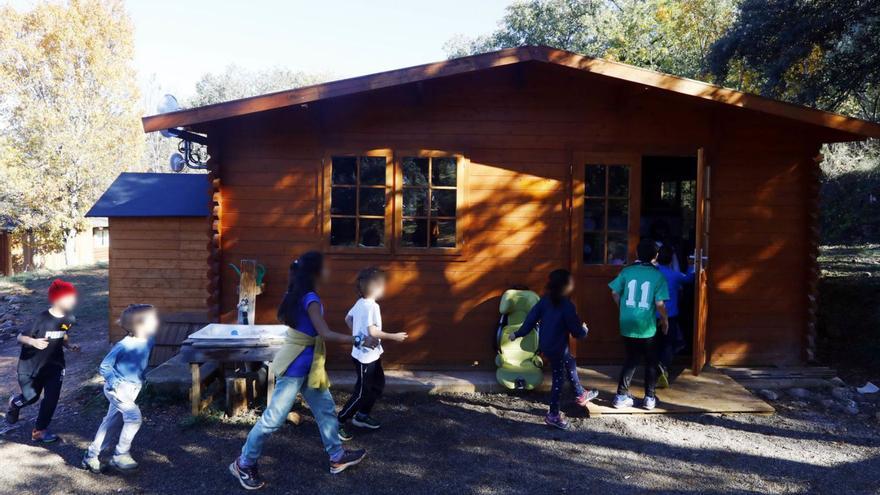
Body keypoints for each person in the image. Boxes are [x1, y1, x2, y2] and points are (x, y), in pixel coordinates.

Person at [230, 252, 378, 490]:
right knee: (273, 419)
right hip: (296, 367)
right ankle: (244, 463)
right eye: (325, 267)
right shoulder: (310, 298)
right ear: (315, 273)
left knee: (326, 410)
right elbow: (325, 333)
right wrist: (359, 339)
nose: (328, 271)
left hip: (309, 367)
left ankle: (337, 457)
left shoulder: (296, 293)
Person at [510, 269, 598, 430]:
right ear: (565, 286)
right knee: (558, 379)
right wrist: (584, 330)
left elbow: (530, 320)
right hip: (557, 348)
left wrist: (517, 333)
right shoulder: (567, 306)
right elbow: (577, 332)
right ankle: (553, 415)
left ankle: (580, 394)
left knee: (570, 361)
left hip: (546, 344)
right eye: (571, 283)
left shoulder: (544, 301)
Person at [82, 304, 159, 473]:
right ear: (139, 325)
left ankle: (91, 455)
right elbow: (104, 367)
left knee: (111, 421)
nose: (156, 322)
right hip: (118, 387)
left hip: (133, 387)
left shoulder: (148, 340)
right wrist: (115, 382)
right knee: (133, 417)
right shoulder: (123, 345)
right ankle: (120, 455)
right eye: (152, 320)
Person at [337, 267, 407, 439]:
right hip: (365, 358)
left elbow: (348, 319)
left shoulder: (360, 302)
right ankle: (339, 421)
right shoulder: (372, 306)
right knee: (362, 391)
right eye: (383, 285)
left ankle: (361, 416)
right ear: (376, 288)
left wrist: (357, 337)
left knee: (377, 385)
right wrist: (394, 336)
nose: (384, 288)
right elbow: (373, 332)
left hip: (370, 355)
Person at [6, 279, 80, 442]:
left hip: (55, 366)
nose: (73, 301)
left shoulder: (69, 319)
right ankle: (14, 404)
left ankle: (39, 430)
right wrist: (34, 342)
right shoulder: (41, 319)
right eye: (69, 298)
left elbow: (63, 334)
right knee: (31, 397)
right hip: (31, 366)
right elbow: (19, 337)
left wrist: (69, 346)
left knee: (52, 397)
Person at [609, 240, 669, 410]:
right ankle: (649, 398)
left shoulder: (627, 271)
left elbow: (614, 292)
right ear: (656, 256)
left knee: (631, 359)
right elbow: (659, 304)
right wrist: (665, 321)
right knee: (651, 361)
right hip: (646, 325)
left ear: (636, 254)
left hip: (626, 322)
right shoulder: (658, 275)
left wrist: (624, 308)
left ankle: (621, 396)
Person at [655, 245, 695, 388]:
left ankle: (655, 367)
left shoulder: (653, 273)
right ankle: (663, 369)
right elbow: (690, 279)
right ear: (672, 259)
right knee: (668, 344)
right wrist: (691, 265)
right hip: (670, 315)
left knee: (655, 343)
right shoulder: (675, 275)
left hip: (652, 315)